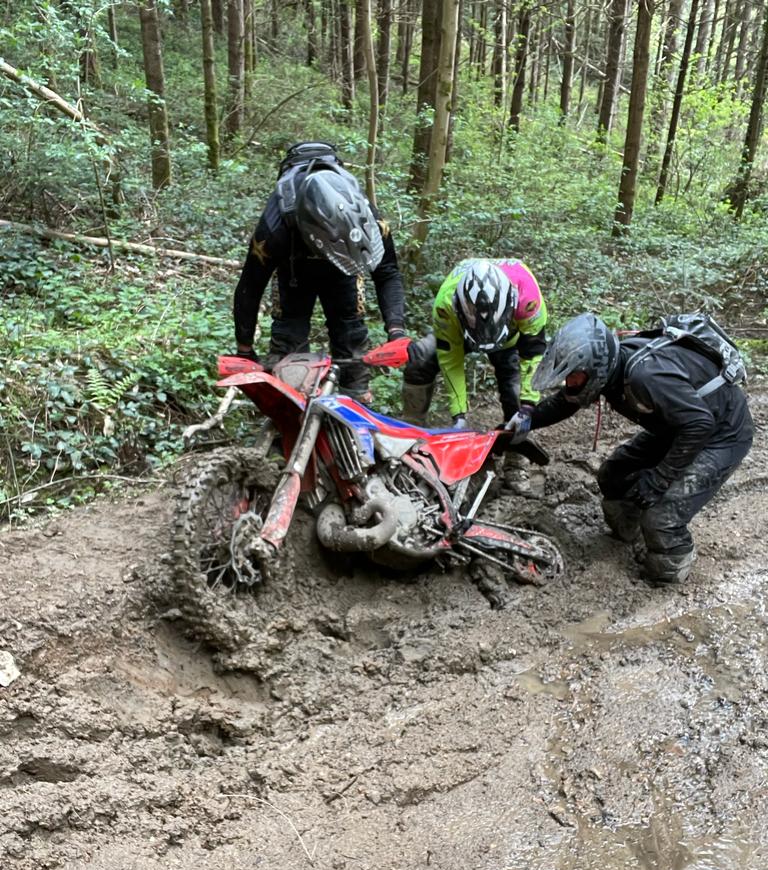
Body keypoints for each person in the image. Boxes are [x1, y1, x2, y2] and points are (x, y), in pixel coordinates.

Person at [508, 312, 754, 585]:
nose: (570, 383)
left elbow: (699, 426)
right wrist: (528, 420)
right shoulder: (611, 368)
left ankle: (671, 571)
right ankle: (631, 531)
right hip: (677, 426)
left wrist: (659, 479)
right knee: (613, 475)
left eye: (574, 377)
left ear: (594, 368)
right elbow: (567, 401)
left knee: (662, 517)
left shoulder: (645, 377)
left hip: (721, 434)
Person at [233, 142, 407, 399]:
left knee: (352, 340)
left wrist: (396, 332)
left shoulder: (368, 218)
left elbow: (387, 272)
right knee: (288, 347)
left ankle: (355, 405)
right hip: (294, 268)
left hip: (345, 267)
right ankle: (289, 420)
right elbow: (251, 284)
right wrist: (244, 349)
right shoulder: (275, 226)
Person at [401, 257, 548, 428]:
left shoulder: (528, 298)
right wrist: (459, 415)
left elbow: (533, 353)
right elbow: (451, 360)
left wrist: (528, 405)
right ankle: (412, 428)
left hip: (510, 338)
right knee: (423, 354)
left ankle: (514, 446)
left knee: (514, 389)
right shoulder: (445, 304)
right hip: (461, 333)